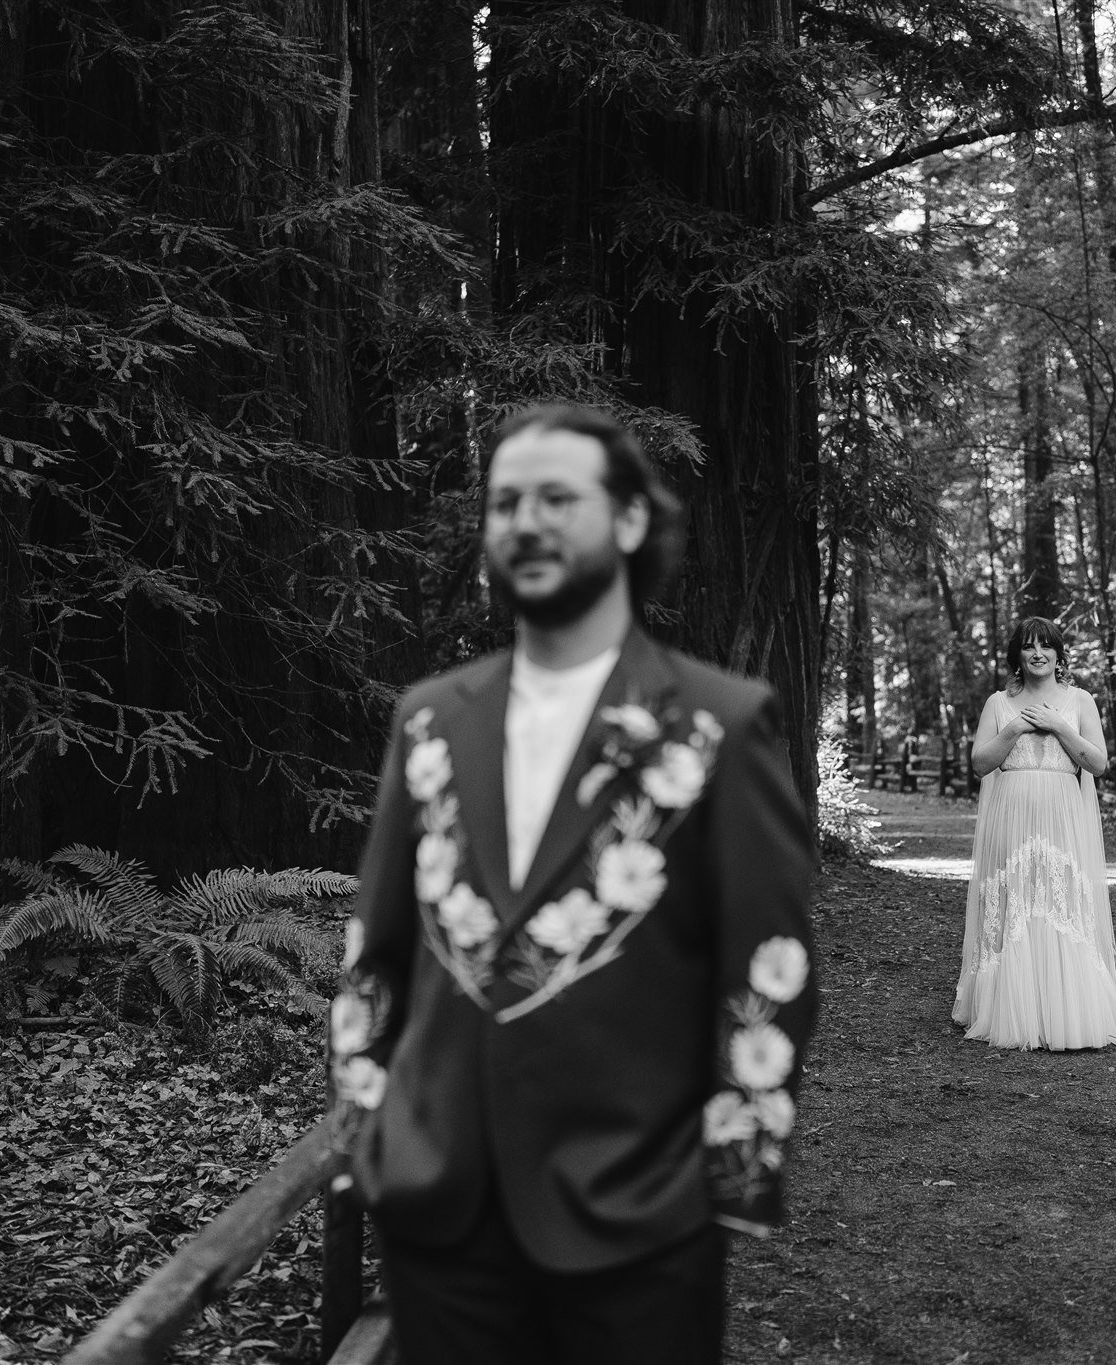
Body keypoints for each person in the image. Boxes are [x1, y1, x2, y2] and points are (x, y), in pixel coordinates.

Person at [326, 404, 818, 1365]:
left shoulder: (719, 723)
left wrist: (721, 1183)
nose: (527, 522)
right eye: (506, 502)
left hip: (640, 1228)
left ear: (630, 519)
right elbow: (374, 955)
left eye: (558, 498)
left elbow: (769, 965)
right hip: (440, 1222)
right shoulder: (430, 719)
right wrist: (369, 1142)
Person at [952, 617, 1116, 1051]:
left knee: (1062, 901)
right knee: (1014, 900)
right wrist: (1014, 727)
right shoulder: (998, 703)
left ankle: (1067, 1013)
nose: (1038, 653)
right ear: (1017, 656)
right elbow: (980, 764)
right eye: (1028, 646)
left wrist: (1059, 726)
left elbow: (1098, 764)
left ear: (1058, 655)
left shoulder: (1080, 700)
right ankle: (1011, 1010)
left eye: (1046, 646)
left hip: (1063, 817)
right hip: (1010, 816)